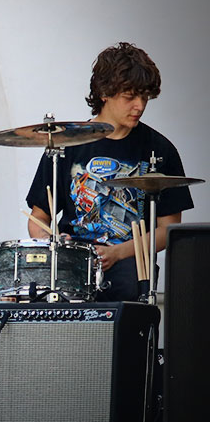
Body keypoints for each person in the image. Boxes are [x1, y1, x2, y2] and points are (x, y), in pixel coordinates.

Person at [26, 42, 193, 302]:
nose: (139, 106)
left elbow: (168, 231)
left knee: (128, 292)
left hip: (129, 261)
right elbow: (37, 220)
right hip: (73, 261)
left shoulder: (160, 150)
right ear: (105, 92)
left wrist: (118, 253)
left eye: (145, 97)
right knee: (16, 290)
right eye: (130, 97)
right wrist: (57, 244)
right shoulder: (67, 144)